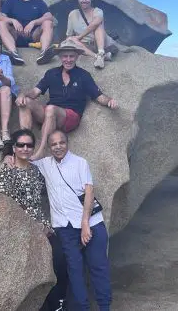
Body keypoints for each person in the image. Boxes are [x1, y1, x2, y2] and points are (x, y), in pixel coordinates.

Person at [32, 130, 112, 311]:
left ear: (67, 143)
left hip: (91, 224)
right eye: (53, 144)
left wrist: (85, 224)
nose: (58, 147)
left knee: (98, 267)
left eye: (61, 142)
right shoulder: (45, 164)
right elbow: (27, 159)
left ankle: (104, 307)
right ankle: (82, 308)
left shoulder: (80, 163)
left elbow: (89, 192)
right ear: (49, 147)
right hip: (65, 227)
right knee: (74, 270)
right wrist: (10, 156)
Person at [0, 129, 70, 311]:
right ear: (14, 148)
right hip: (21, 227)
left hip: (43, 227)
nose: (25, 148)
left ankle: (58, 303)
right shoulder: (7, 171)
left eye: (29, 145)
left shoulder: (37, 171)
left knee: (61, 258)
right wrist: (32, 225)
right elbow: (6, 203)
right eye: (21, 145)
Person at [16, 40, 117, 158]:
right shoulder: (51, 73)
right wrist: (22, 95)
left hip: (70, 116)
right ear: (60, 57)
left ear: (77, 57)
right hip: (49, 114)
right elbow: (34, 92)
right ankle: (25, 143)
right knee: (26, 102)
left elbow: (99, 96)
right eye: (65, 56)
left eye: (71, 56)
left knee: (51, 109)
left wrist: (109, 101)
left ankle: (42, 151)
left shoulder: (84, 75)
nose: (68, 59)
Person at [0, 0, 55, 65]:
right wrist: (13, 21)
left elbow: (49, 17)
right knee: (1, 23)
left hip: (33, 36)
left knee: (48, 23)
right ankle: (13, 54)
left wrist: (34, 22)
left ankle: (44, 53)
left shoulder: (39, 2)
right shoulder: (11, 1)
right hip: (16, 36)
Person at [65, 0, 119, 69]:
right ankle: (98, 57)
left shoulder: (97, 11)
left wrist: (79, 36)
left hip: (100, 43)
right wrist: (70, 41)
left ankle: (101, 52)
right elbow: (69, 35)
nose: (84, 0)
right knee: (69, 40)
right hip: (85, 46)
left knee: (98, 25)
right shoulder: (73, 14)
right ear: (78, 0)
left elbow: (95, 23)